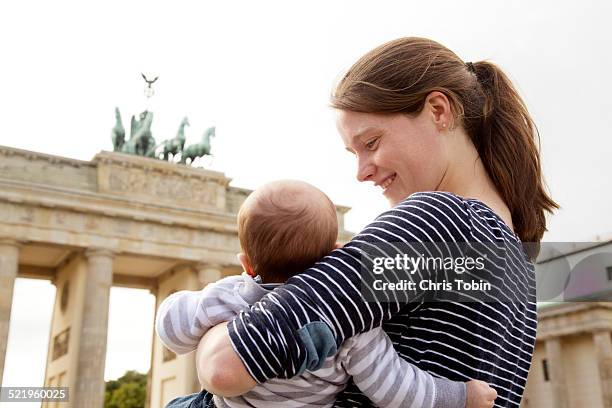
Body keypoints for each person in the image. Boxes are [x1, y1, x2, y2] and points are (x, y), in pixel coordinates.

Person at [193, 37, 559, 408]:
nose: (361, 173)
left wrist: (215, 318)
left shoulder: (434, 224)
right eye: (354, 153)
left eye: (371, 142)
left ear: (438, 110)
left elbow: (226, 366)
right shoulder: (517, 260)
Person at [160, 180, 496, 408]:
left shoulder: (230, 296)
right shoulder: (355, 328)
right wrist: (461, 396)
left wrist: (191, 308)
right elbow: (399, 389)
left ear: (246, 263)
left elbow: (172, 329)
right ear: (335, 255)